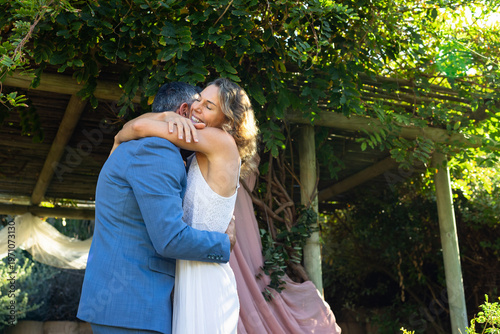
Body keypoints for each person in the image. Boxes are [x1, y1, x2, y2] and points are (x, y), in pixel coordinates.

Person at [77, 82, 237, 334]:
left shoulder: (135, 146)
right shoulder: (156, 150)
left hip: (122, 305)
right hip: (134, 305)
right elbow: (170, 239)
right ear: (183, 112)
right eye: (196, 111)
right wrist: (223, 244)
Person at [112, 78, 258, 333]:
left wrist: (116, 140)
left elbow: (136, 128)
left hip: (205, 280)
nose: (196, 107)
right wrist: (170, 115)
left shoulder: (216, 139)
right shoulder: (203, 149)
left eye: (209, 106)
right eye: (198, 98)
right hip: (193, 271)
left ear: (229, 121)